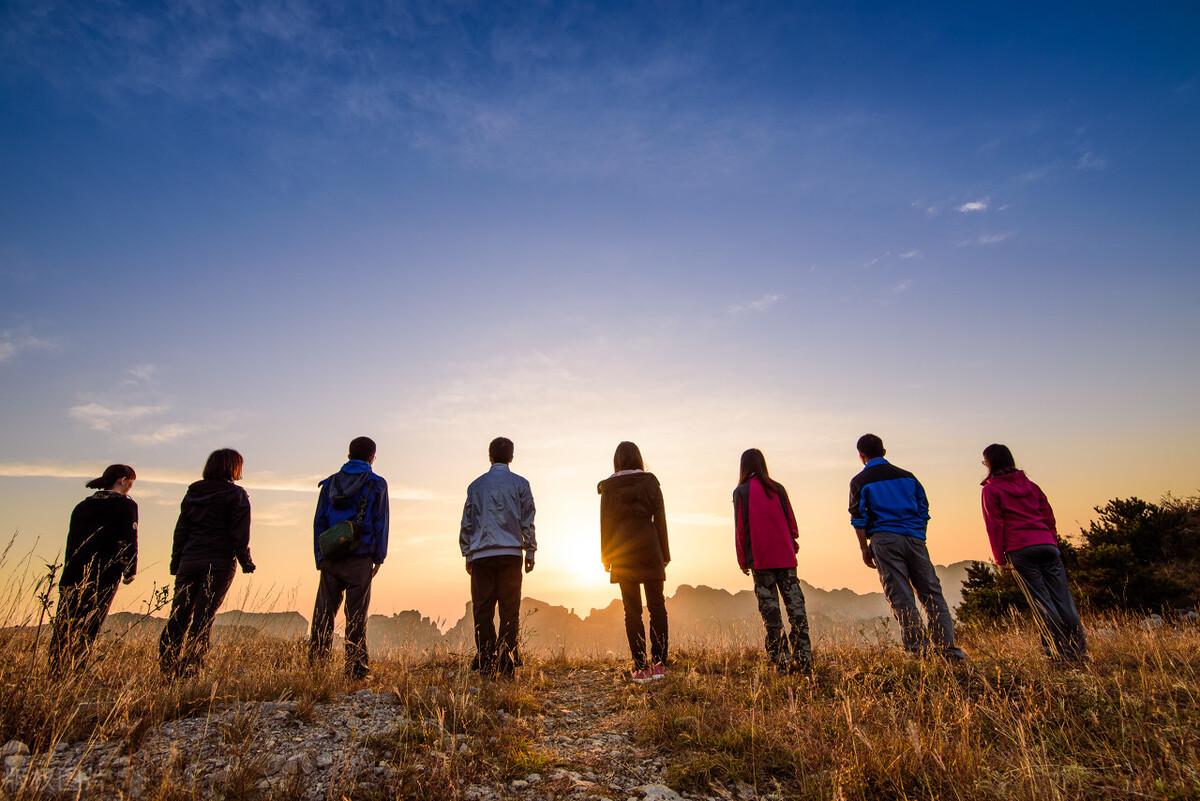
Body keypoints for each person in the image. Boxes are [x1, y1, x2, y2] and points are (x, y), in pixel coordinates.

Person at [848, 434, 965, 659]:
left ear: (861, 456)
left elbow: (858, 517)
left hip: (884, 539)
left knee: (901, 595)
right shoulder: (908, 477)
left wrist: (864, 548)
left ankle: (917, 651)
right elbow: (923, 508)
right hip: (914, 538)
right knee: (931, 591)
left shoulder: (860, 481)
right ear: (884, 451)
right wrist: (919, 534)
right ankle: (947, 648)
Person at [981, 443, 1087, 663]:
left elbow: (994, 525)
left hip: (1020, 548)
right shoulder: (1032, 486)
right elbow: (1049, 517)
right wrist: (1052, 542)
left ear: (990, 463)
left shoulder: (991, 490)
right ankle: (1078, 651)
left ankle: (1058, 653)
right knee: (1063, 599)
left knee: (1042, 601)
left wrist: (1000, 558)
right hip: (1047, 545)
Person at [159, 448, 255, 678]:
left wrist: (176, 562)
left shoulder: (193, 493)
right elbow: (239, 533)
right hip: (219, 561)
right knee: (204, 615)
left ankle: (167, 666)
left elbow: (180, 530)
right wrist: (245, 561)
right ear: (233, 467)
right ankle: (192, 667)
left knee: (179, 613)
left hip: (189, 559)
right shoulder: (237, 495)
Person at [309, 436, 390, 679]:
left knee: (323, 614)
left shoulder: (331, 484)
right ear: (372, 457)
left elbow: (319, 522)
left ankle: (317, 667)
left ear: (348, 455)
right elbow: (380, 522)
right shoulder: (376, 484)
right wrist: (379, 557)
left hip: (332, 556)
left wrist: (320, 556)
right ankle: (356, 669)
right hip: (361, 556)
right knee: (356, 616)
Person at [49, 464, 139, 675]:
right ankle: (77, 669)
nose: (130, 488)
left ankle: (56, 669)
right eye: (131, 483)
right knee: (91, 621)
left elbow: (73, 542)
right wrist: (130, 569)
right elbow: (129, 538)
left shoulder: (82, 506)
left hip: (74, 572)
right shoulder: (126, 506)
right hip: (104, 572)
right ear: (123, 480)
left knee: (66, 622)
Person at [459, 437, 536, 678]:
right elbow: (528, 520)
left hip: (482, 555)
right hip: (511, 554)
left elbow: (467, 523)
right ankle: (507, 661)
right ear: (511, 457)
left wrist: (468, 553)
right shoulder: (521, 484)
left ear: (489, 455)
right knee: (509, 610)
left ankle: (485, 659)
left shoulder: (476, 486)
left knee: (483, 610)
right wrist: (530, 550)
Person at [733, 449, 813, 674]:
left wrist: (742, 559)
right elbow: (792, 524)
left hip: (761, 561)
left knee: (771, 615)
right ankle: (804, 658)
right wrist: (791, 544)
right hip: (786, 558)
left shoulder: (741, 492)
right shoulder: (778, 489)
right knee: (796, 610)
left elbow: (741, 529)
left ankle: (782, 662)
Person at [598, 441, 670, 683]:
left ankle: (640, 667)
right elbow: (660, 518)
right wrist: (665, 554)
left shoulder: (608, 488)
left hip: (622, 552)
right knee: (657, 607)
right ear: (639, 458)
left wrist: (606, 556)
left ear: (617, 461)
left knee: (632, 612)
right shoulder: (650, 482)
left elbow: (605, 525)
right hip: (650, 549)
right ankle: (659, 664)